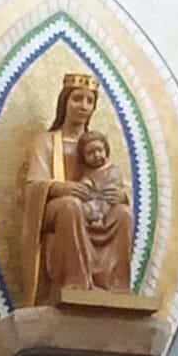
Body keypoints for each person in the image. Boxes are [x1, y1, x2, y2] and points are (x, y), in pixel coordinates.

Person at [19, 73, 133, 302]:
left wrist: (120, 196)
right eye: (77, 99)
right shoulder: (47, 141)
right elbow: (32, 187)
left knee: (123, 214)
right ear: (64, 102)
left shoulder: (96, 144)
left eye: (90, 101)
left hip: (96, 209)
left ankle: (116, 286)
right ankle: (77, 285)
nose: (84, 106)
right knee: (71, 207)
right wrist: (59, 188)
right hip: (55, 209)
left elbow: (112, 177)